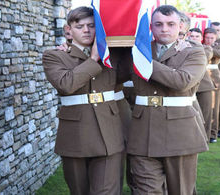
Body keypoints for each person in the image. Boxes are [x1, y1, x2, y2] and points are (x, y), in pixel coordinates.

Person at [127, 5, 208, 194]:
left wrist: (143, 59)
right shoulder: (138, 48)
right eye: (158, 24)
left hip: (180, 133)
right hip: (143, 131)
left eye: (171, 24)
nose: (164, 29)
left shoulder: (194, 51)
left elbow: (182, 81)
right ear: (151, 27)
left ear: (180, 26)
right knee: (146, 191)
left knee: (180, 189)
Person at [42, 6, 124, 195]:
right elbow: (66, 84)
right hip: (75, 136)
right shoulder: (55, 55)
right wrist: (93, 58)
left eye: (91, 25)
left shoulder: (111, 54)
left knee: (107, 191)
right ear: (68, 30)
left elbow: (132, 72)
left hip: (108, 133)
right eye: (80, 26)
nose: (86, 30)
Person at [189, 28, 215, 142]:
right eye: (192, 36)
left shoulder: (207, 48)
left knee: (206, 114)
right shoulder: (182, 47)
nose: (194, 38)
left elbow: (205, 57)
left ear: (201, 38)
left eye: (197, 36)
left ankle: (205, 139)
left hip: (204, 86)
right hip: (189, 86)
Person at [203, 28, 220, 143]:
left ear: (215, 38)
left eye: (211, 38)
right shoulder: (202, 46)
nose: (209, 40)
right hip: (201, 80)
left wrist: (205, 48)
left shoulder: (219, 46)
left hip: (214, 80)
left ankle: (213, 133)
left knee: (213, 109)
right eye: (207, 37)